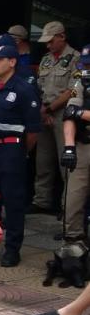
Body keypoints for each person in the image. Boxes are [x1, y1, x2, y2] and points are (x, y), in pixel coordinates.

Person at [0, 44, 41, 267]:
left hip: (11, 151)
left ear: (12, 62)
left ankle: (12, 248)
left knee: (13, 202)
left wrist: (21, 151)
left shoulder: (24, 89)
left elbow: (33, 130)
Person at [33, 21, 79, 214]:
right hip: (44, 112)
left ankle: (66, 206)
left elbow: (73, 90)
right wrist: (43, 109)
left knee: (65, 162)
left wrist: (50, 109)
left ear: (61, 37)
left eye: (51, 41)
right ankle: (41, 201)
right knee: (42, 161)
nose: (48, 45)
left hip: (63, 114)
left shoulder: (76, 58)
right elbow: (38, 86)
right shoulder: (45, 59)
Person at [59, 45, 90, 242]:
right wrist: (69, 147)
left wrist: (81, 114)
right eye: (85, 65)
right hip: (82, 144)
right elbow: (69, 113)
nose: (86, 69)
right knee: (73, 200)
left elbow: (77, 113)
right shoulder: (82, 82)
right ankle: (73, 248)